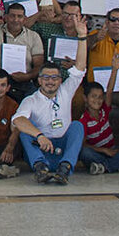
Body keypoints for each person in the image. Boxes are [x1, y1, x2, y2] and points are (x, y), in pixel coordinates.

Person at [13, 26, 89, 185]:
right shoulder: (31, 100)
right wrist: (40, 136)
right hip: (41, 151)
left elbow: (80, 68)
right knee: (24, 130)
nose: (50, 81)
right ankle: (41, 170)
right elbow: (18, 121)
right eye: (46, 77)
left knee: (77, 126)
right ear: (39, 80)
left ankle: (65, 169)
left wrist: (82, 37)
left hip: (62, 150)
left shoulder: (66, 91)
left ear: (60, 80)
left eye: (54, 77)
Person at [76, 75, 119, 175]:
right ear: (85, 98)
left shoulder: (104, 110)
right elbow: (83, 145)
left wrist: (115, 70)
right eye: (93, 96)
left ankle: (104, 167)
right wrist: (104, 150)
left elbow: (109, 91)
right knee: (84, 152)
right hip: (98, 153)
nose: (97, 100)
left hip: (112, 150)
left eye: (100, 97)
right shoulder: (83, 121)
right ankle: (117, 166)